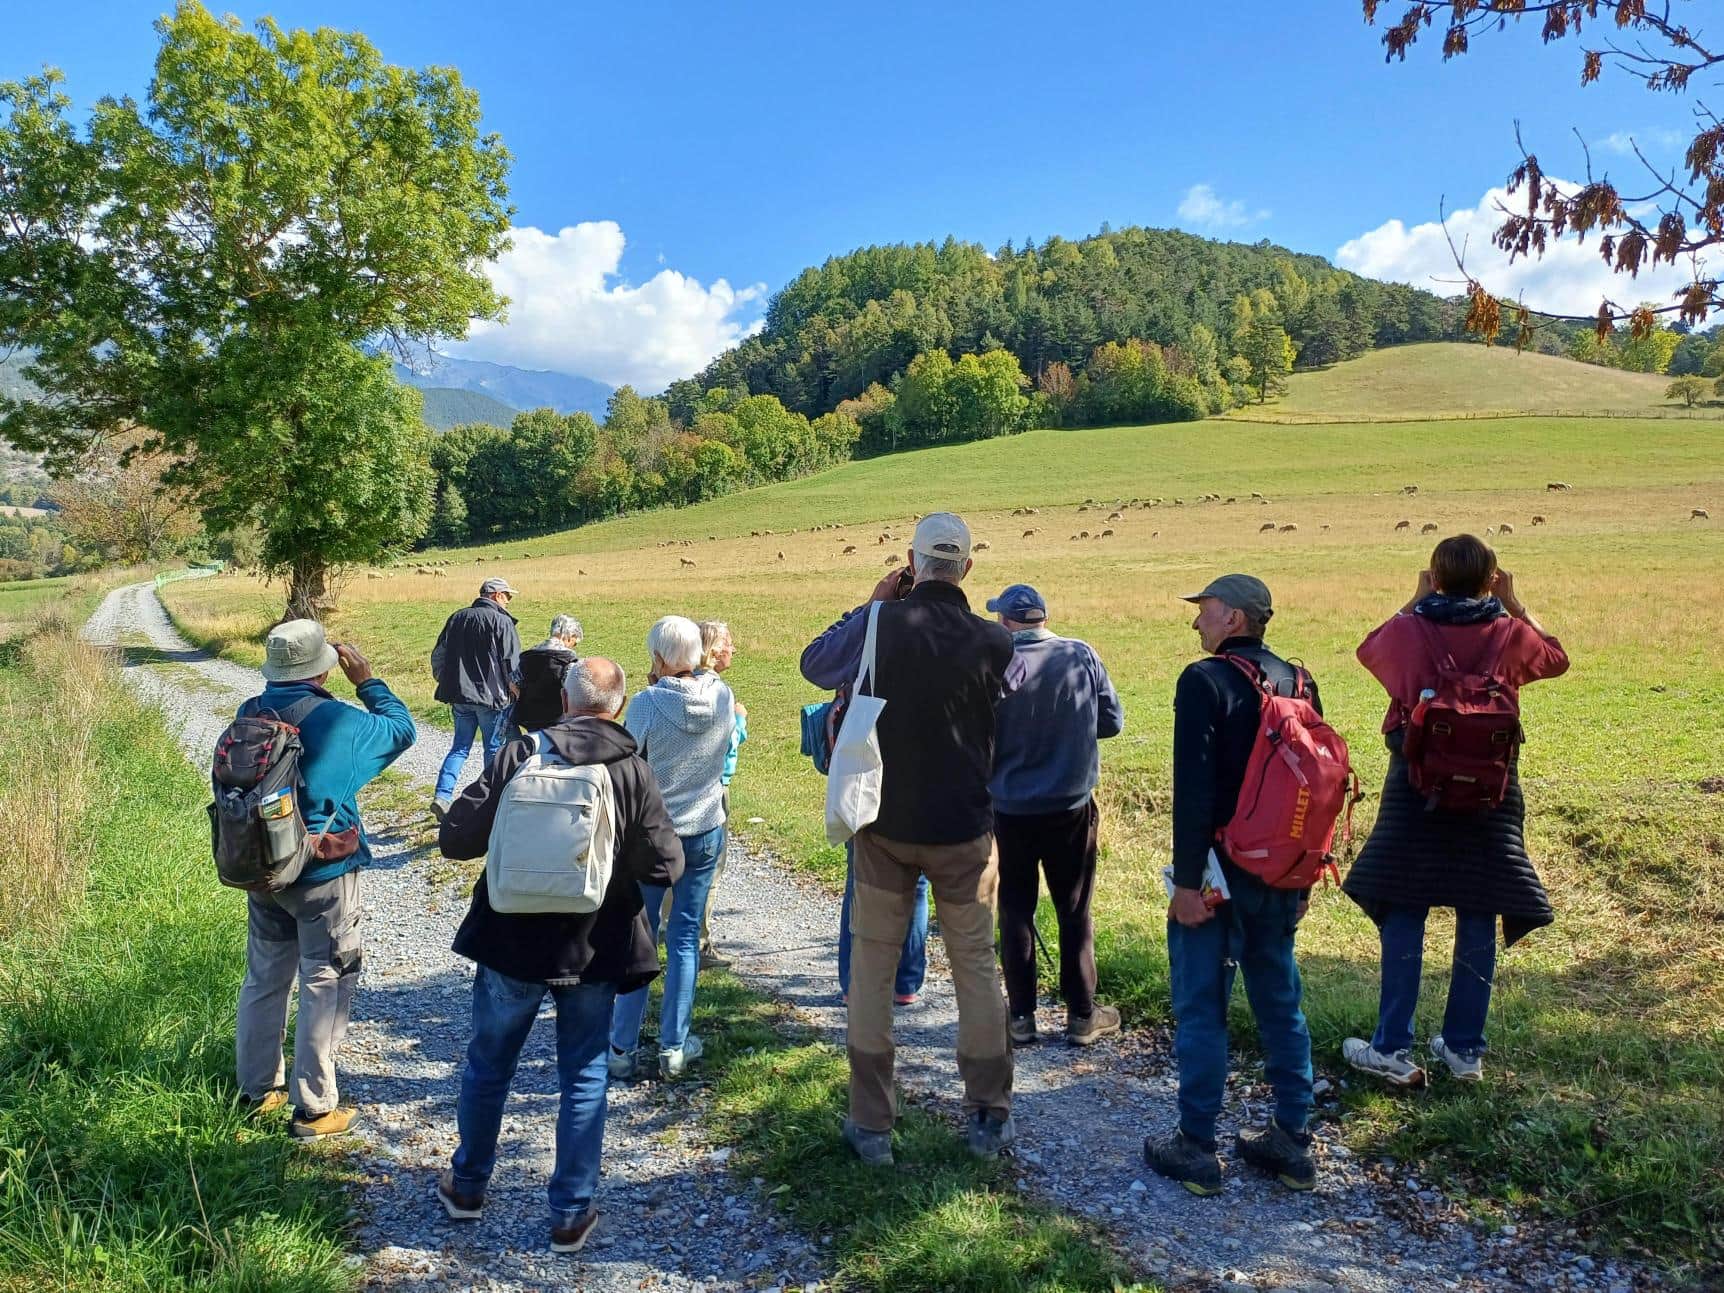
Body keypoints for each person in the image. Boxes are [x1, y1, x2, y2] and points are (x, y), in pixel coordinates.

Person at [434, 658, 683, 1254]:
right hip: (594, 948)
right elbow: (668, 865)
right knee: (583, 1075)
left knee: (489, 1064)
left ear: (566, 702)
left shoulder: (518, 755)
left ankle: (467, 1186)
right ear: (618, 706)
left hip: (510, 940)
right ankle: (570, 1214)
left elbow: (456, 839)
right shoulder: (632, 770)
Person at [800, 512, 1016, 1166]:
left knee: (872, 965)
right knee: (977, 969)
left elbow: (815, 663)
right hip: (966, 828)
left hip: (883, 822)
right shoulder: (995, 641)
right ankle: (987, 1114)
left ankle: (871, 1125)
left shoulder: (879, 623)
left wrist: (872, 603)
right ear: (968, 569)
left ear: (912, 564)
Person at [1341, 535, 1569, 1086]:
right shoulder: (1510, 632)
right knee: (1480, 909)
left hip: (1415, 789)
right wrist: (1517, 605)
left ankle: (1391, 1047)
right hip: (1491, 793)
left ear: (1436, 577)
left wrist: (1414, 600)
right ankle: (1465, 1051)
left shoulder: (1413, 629)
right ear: (1491, 578)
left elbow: (1369, 648)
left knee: (1404, 907)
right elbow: (1557, 659)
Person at [1143, 574, 1320, 1196]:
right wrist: (1301, 875)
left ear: (1235, 620)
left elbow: (1192, 792)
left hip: (1217, 871)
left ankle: (1196, 1146)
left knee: (1201, 1006)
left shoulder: (1203, 681)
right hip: (1280, 872)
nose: (1197, 623)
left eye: (1207, 611)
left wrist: (1187, 884)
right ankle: (1292, 1142)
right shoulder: (1301, 682)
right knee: (1279, 1000)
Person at [234, 619, 416, 1139]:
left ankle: (257, 1091)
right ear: (323, 668)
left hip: (264, 869)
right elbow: (403, 730)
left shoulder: (251, 711)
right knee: (325, 977)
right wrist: (368, 681)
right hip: (323, 870)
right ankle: (314, 1109)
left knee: (265, 979)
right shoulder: (339, 719)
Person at [986, 582, 1125, 1048]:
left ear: (1006, 622)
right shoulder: (1081, 654)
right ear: (1042, 619)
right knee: (1074, 909)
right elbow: (1111, 721)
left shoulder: (995, 664)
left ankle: (1021, 1016)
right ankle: (1083, 1014)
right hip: (1070, 807)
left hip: (1009, 809)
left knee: (1016, 909)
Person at [608, 615, 736, 1080]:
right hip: (704, 827)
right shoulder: (722, 694)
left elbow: (626, 756)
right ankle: (674, 1047)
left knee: (640, 938)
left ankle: (621, 1046)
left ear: (658, 660)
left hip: (654, 836)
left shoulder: (645, 703)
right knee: (684, 938)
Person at [430, 577, 522, 818]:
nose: (508, 601)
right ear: (495, 595)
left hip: (459, 696)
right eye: (507, 596)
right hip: (491, 698)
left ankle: (442, 796)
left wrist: (446, 681)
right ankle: (490, 802)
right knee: (493, 749)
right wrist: (517, 693)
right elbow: (512, 664)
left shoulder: (457, 617)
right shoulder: (502, 622)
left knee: (459, 748)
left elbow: (438, 655)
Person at [692, 619, 746, 969]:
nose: (734, 649)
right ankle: (700, 942)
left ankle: (672, 926)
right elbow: (723, 742)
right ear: (713, 651)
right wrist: (740, 720)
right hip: (713, 787)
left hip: (682, 785)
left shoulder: (683, 682)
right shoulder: (718, 693)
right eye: (728, 644)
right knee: (710, 867)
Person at [513, 615, 583, 734]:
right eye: (574, 643)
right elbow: (571, 688)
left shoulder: (528, 656)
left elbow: (515, 682)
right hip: (556, 718)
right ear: (569, 637)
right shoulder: (567, 660)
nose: (573, 646)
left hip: (529, 715)